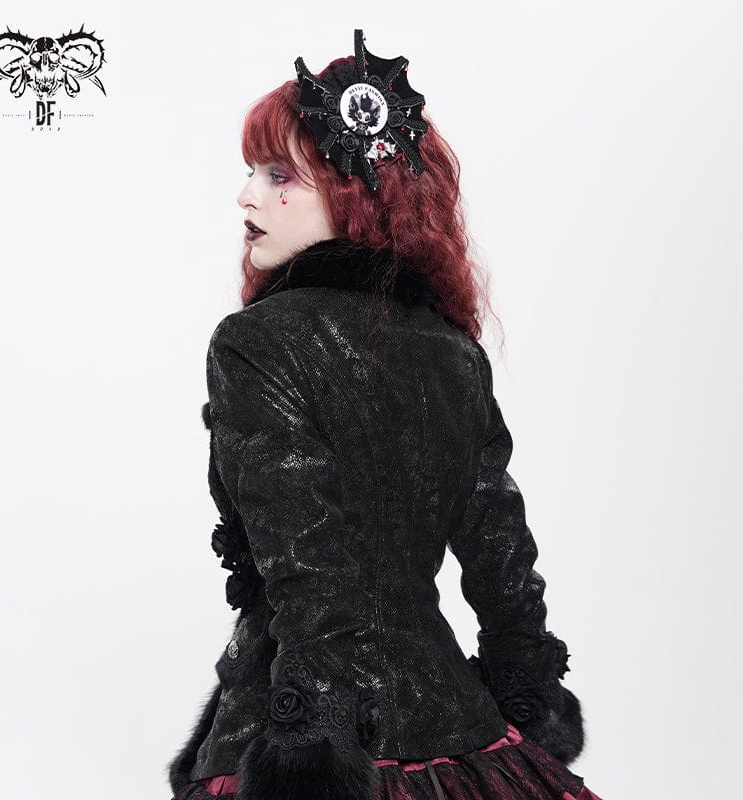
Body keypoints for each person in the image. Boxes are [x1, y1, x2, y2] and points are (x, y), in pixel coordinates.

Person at [166, 29, 604, 800]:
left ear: (353, 193)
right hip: (463, 733)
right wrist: (528, 689)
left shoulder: (255, 344)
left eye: (279, 176)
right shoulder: (453, 351)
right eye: (251, 173)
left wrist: (314, 745)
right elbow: (501, 556)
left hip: (323, 749)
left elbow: (311, 569)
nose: (247, 197)